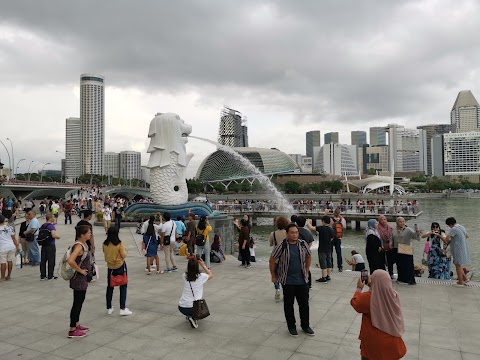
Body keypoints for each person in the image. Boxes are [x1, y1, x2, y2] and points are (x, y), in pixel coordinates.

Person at [350, 269, 407, 360]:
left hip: (374, 342)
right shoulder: (394, 295)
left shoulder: (369, 297)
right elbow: (381, 290)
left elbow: (355, 303)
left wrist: (359, 288)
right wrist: (372, 285)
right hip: (392, 340)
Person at [269, 223, 313, 337]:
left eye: (296, 232)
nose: (295, 235)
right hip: (287, 280)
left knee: (304, 304)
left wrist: (307, 270)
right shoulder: (282, 245)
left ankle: (305, 325)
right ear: (287, 234)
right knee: (289, 304)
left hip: (302, 280)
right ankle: (291, 326)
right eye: (292, 233)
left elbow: (309, 255)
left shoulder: (302, 244)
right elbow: (272, 260)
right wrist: (273, 275)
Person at [67, 225, 92, 338]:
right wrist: (81, 271)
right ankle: (72, 329)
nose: (90, 234)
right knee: (77, 302)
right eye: (88, 232)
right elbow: (71, 260)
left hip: (82, 278)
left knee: (80, 301)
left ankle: (76, 324)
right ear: (82, 235)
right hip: (78, 278)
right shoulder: (78, 246)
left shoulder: (83, 244)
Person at [103, 225, 132, 316]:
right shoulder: (120, 244)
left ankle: (109, 307)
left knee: (110, 286)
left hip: (110, 268)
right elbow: (123, 255)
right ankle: (122, 308)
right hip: (120, 266)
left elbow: (105, 253)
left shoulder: (105, 243)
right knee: (123, 286)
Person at [178, 256, 212, 329]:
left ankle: (189, 315)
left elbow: (191, 275)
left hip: (182, 307)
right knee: (199, 309)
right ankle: (193, 317)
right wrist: (203, 265)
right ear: (197, 266)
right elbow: (211, 275)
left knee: (188, 306)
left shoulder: (184, 275)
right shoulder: (201, 276)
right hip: (194, 308)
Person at [440, 217, 470, 287]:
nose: (448, 227)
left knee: (457, 264)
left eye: (448, 225)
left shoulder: (453, 229)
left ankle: (460, 282)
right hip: (463, 248)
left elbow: (446, 239)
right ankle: (465, 279)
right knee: (458, 264)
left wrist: (439, 236)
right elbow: (467, 236)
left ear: (450, 224)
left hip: (457, 249)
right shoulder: (461, 227)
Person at [392, 217, 420, 285]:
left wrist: (417, 232)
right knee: (400, 265)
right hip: (397, 249)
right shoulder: (394, 230)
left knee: (408, 265)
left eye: (403, 221)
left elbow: (416, 237)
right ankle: (401, 279)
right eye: (400, 222)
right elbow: (392, 238)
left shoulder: (408, 229)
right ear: (397, 222)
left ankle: (410, 280)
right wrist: (390, 243)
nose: (402, 223)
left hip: (406, 249)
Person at [307, 216, 334, 283]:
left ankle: (323, 277)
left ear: (323, 221)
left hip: (322, 248)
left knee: (323, 262)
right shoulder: (331, 229)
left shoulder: (321, 228)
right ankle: (328, 276)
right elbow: (332, 238)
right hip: (329, 248)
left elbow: (311, 228)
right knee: (329, 262)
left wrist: (308, 223)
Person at [269, 216, 289, 300]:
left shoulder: (273, 233)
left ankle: (277, 289)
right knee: (286, 275)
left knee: (275, 274)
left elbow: (270, 244)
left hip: (276, 258)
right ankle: (286, 292)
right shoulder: (288, 233)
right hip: (287, 257)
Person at [40, 214, 61, 280]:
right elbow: (53, 235)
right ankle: (50, 275)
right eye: (53, 217)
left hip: (44, 244)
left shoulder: (43, 225)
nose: (54, 218)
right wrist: (58, 237)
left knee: (43, 260)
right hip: (50, 244)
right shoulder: (51, 226)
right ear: (50, 218)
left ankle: (43, 275)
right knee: (51, 260)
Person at [0, 215, 21, 281]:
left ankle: (2, 277)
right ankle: (9, 275)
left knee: (3, 262)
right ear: (4, 220)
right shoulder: (9, 227)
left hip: (3, 247)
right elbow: (13, 238)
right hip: (11, 246)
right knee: (10, 260)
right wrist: (17, 246)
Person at [377, 215, 395, 279]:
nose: (383, 221)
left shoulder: (390, 227)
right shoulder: (377, 228)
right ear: (379, 221)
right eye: (382, 220)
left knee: (390, 261)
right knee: (382, 261)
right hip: (381, 247)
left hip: (390, 247)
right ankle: (383, 274)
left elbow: (393, 236)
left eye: (385, 219)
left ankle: (391, 273)